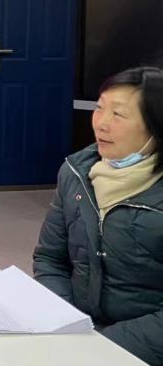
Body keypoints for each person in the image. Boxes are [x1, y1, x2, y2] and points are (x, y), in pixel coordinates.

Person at [33, 66, 163, 365]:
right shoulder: (75, 173)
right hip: (81, 332)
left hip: (141, 344)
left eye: (118, 114)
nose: (101, 123)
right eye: (99, 108)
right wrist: (65, 320)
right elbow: (50, 259)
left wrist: (102, 348)